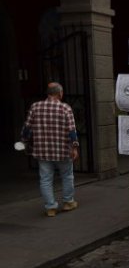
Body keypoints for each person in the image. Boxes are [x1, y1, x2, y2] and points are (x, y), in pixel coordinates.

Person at [21, 82, 79, 217]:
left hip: (42, 150)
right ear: (60, 93)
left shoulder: (35, 107)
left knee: (45, 179)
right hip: (62, 150)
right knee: (67, 176)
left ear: (48, 93)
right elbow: (72, 130)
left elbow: (27, 127)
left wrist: (24, 140)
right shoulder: (65, 108)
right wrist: (74, 147)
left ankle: (50, 208)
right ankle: (68, 202)